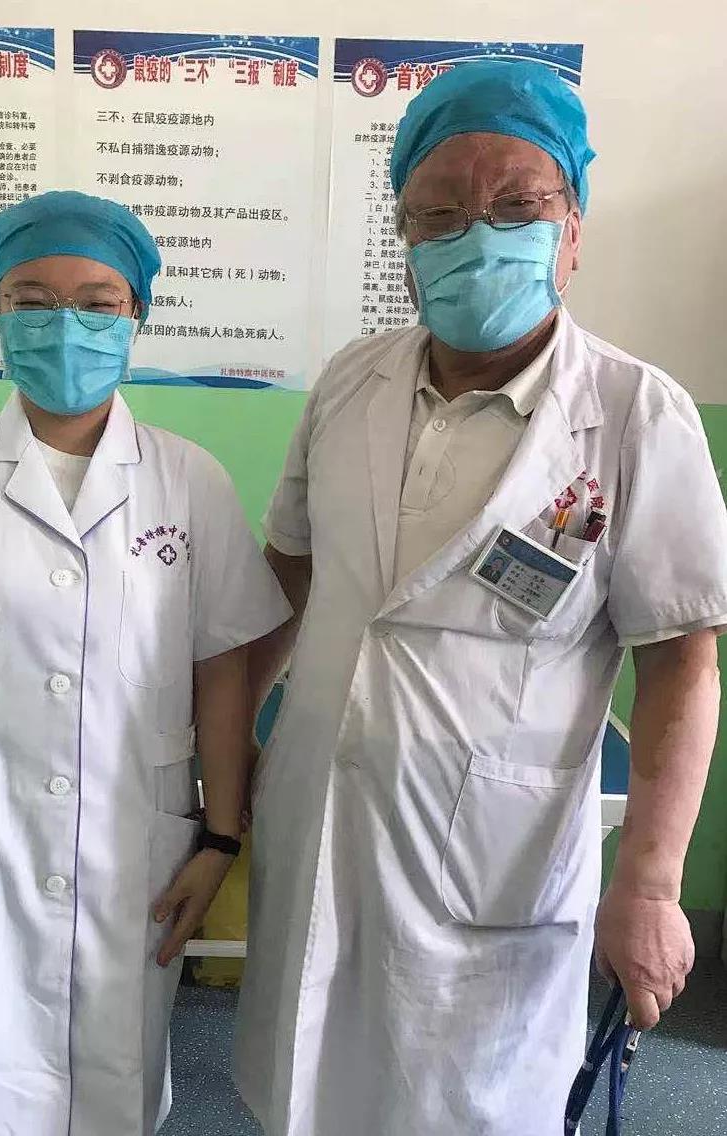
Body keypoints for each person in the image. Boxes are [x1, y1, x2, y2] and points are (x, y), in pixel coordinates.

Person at [235, 61, 727, 1135]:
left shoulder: (637, 415)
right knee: (304, 1095)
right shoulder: (349, 381)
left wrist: (650, 882)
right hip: (319, 816)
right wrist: (223, 779)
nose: (476, 235)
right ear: (405, 241)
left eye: (517, 205)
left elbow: (682, 658)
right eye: (440, 212)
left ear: (573, 229)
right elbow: (287, 577)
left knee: (464, 1108)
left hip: (491, 856)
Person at [0, 190, 291, 1136]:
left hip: (134, 840)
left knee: (113, 1075)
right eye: (33, 301)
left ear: (137, 315)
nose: (66, 324)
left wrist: (219, 841)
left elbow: (222, 677)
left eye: (97, 301)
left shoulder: (190, 478)